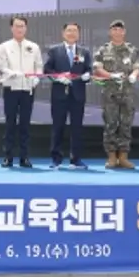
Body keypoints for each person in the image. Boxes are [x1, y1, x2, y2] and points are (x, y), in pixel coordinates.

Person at [92, 19, 139, 169]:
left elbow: (137, 66)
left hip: (127, 93)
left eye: (120, 29)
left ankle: (123, 157)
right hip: (110, 93)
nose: (117, 32)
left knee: (126, 124)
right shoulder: (103, 50)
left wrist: (134, 75)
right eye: (114, 29)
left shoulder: (132, 49)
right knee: (110, 124)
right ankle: (112, 156)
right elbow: (97, 68)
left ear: (124, 32)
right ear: (110, 32)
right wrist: (110, 75)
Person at [43, 22, 93, 169]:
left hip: (77, 95)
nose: (72, 33)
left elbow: (89, 70)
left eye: (75, 31)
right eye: (69, 30)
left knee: (77, 128)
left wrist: (87, 76)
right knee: (58, 126)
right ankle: (56, 159)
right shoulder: (54, 51)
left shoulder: (84, 52)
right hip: (59, 94)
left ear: (79, 34)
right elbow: (47, 69)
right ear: (63, 33)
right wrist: (58, 77)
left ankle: (76, 159)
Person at [0, 15, 43, 168]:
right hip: (11, 88)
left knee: (25, 124)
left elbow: (39, 66)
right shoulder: (4, 46)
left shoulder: (34, 47)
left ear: (26, 28)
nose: (19, 29)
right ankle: (8, 156)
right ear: (11, 28)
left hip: (27, 90)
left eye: (22, 26)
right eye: (17, 26)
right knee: (10, 124)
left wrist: (36, 79)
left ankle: (24, 157)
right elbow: (2, 66)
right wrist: (12, 73)